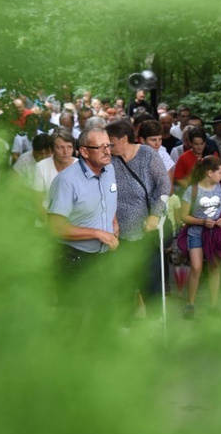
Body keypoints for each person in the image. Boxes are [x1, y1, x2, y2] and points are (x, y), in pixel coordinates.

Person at [47, 127, 119, 293]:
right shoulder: (66, 181)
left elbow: (106, 199)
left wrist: (113, 221)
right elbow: (55, 227)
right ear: (84, 152)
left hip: (106, 257)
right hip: (75, 260)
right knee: (75, 315)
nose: (107, 152)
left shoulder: (109, 170)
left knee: (105, 313)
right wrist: (98, 233)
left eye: (109, 146)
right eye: (101, 147)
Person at [106, 121, 172, 300]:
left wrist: (155, 214)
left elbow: (164, 185)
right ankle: (126, 323)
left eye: (111, 142)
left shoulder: (147, 154)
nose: (108, 146)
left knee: (150, 280)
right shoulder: (108, 159)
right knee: (124, 282)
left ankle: (153, 321)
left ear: (124, 139)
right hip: (118, 230)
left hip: (145, 230)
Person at [179, 156, 221, 319]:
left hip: (215, 234)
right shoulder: (192, 190)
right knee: (196, 267)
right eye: (220, 173)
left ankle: (213, 305)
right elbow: (184, 216)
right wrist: (202, 221)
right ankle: (190, 304)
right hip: (196, 233)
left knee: (214, 267)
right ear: (210, 173)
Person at [34, 129, 77, 211]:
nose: (66, 152)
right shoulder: (42, 166)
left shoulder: (81, 166)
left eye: (69, 147)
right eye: (61, 147)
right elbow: (37, 201)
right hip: (46, 217)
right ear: (52, 149)